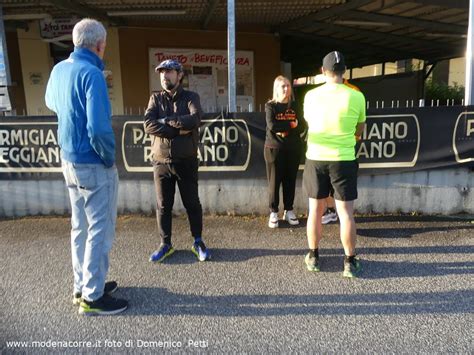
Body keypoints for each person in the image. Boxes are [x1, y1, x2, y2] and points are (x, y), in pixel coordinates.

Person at [45, 18, 128, 315]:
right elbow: (99, 130)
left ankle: (82, 285)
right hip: (93, 163)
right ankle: (92, 297)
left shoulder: (59, 69)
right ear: (100, 44)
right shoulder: (92, 74)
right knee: (100, 229)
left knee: (79, 227)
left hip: (68, 159)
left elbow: (51, 102)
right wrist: (108, 159)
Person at [302, 51, 366, 278]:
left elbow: (310, 122)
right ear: (344, 72)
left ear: (323, 71)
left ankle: (314, 256)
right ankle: (349, 261)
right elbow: (359, 129)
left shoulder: (310, 96)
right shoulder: (357, 96)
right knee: (345, 213)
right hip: (344, 159)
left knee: (315, 211)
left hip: (316, 158)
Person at [144, 59, 210, 263]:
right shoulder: (155, 99)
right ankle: (165, 244)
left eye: (169, 71)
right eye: (162, 72)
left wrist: (166, 122)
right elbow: (148, 124)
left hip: (186, 161)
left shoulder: (191, 97)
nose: (165, 75)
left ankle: (198, 241)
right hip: (161, 162)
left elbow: (195, 119)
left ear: (179, 75)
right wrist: (178, 130)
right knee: (163, 205)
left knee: (192, 203)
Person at [264, 75, 307, 228]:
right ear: (276, 89)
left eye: (288, 85)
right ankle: (273, 212)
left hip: (293, 149)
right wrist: (291, 125)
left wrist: (289, 126)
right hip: (274, 150)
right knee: (274, 182)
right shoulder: (270, 106)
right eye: (283, 86)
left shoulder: (295, 105)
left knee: (290, 181)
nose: (286, 88)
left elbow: (302, 126)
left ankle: (289, 210)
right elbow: (272, 126)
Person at [321, 79, 362, 225]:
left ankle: (340, 214)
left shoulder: (354, 91)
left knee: (341, 190)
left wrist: (353, 139)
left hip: (345, 149)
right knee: (326, 183)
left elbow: (359, 123)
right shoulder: (321, 91)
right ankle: (331, 210)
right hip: (326, 148)